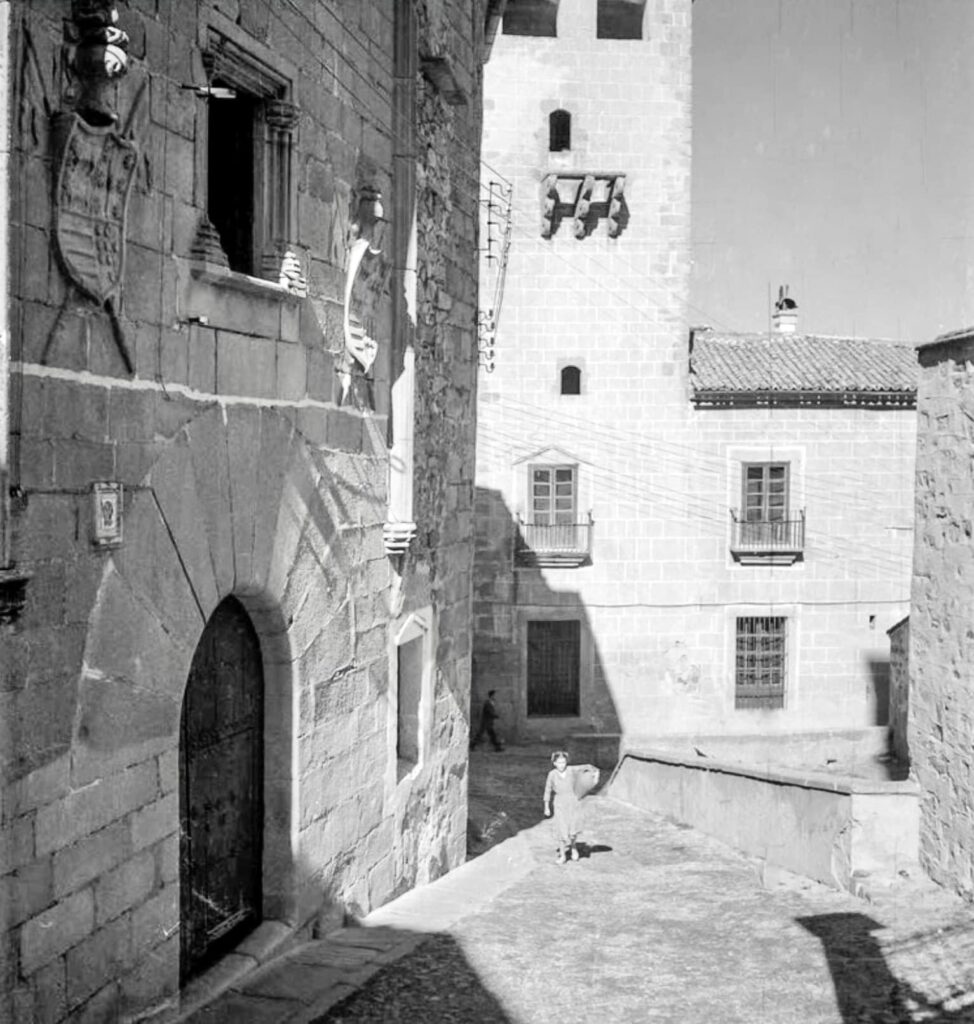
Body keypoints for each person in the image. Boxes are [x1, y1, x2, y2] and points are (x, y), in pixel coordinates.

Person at [544, 750, 584, 864]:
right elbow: (547, 790)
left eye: (564, 762)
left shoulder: (571, 771)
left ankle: (573, 847)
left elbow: (584, 770)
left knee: (572, 830)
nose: (562, 765)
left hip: (572, 802)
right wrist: (546, 806)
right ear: (554, 763)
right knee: (561, 830)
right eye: (559, 763)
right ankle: (562, 855)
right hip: (559, 804)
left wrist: (593, 774)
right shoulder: (552, 774)